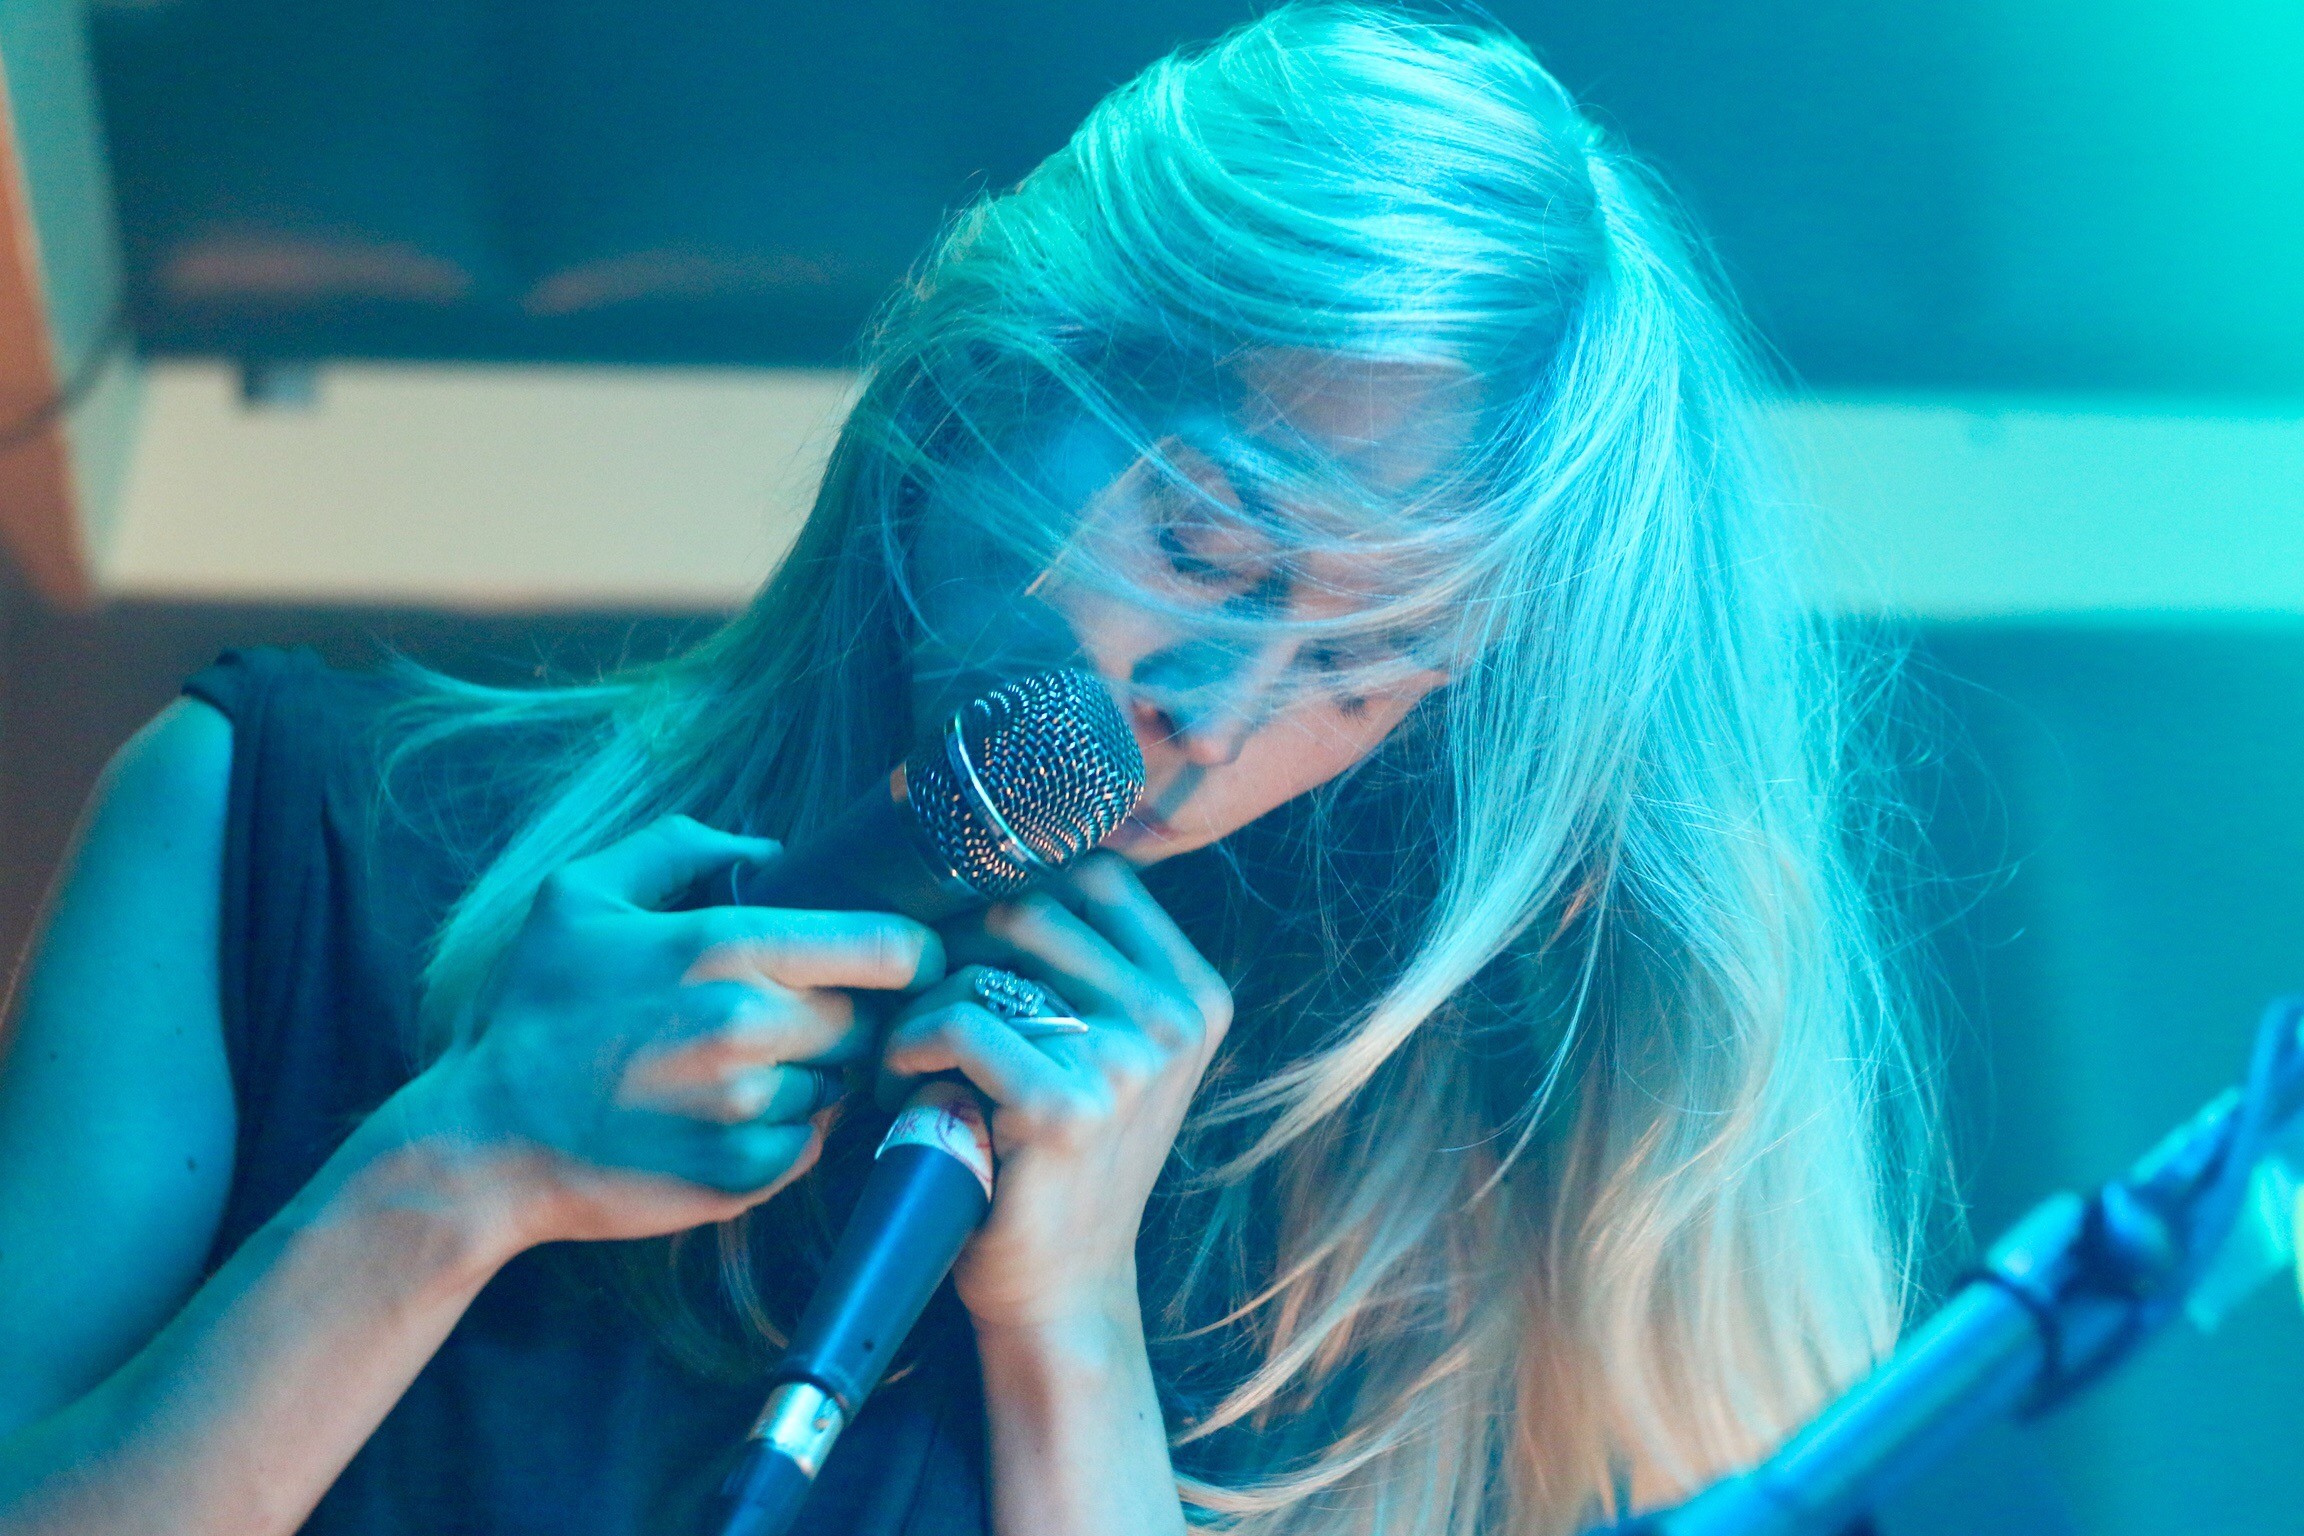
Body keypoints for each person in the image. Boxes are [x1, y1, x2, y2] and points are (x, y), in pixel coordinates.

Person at [0, 7, 1938, 1535]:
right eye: (1207, 547)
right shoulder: (266, 822)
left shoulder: (1344, 1190)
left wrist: (1069, 1330)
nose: (1220, 714)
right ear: (988, 386)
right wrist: (461, 1159)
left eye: (1363, 672)